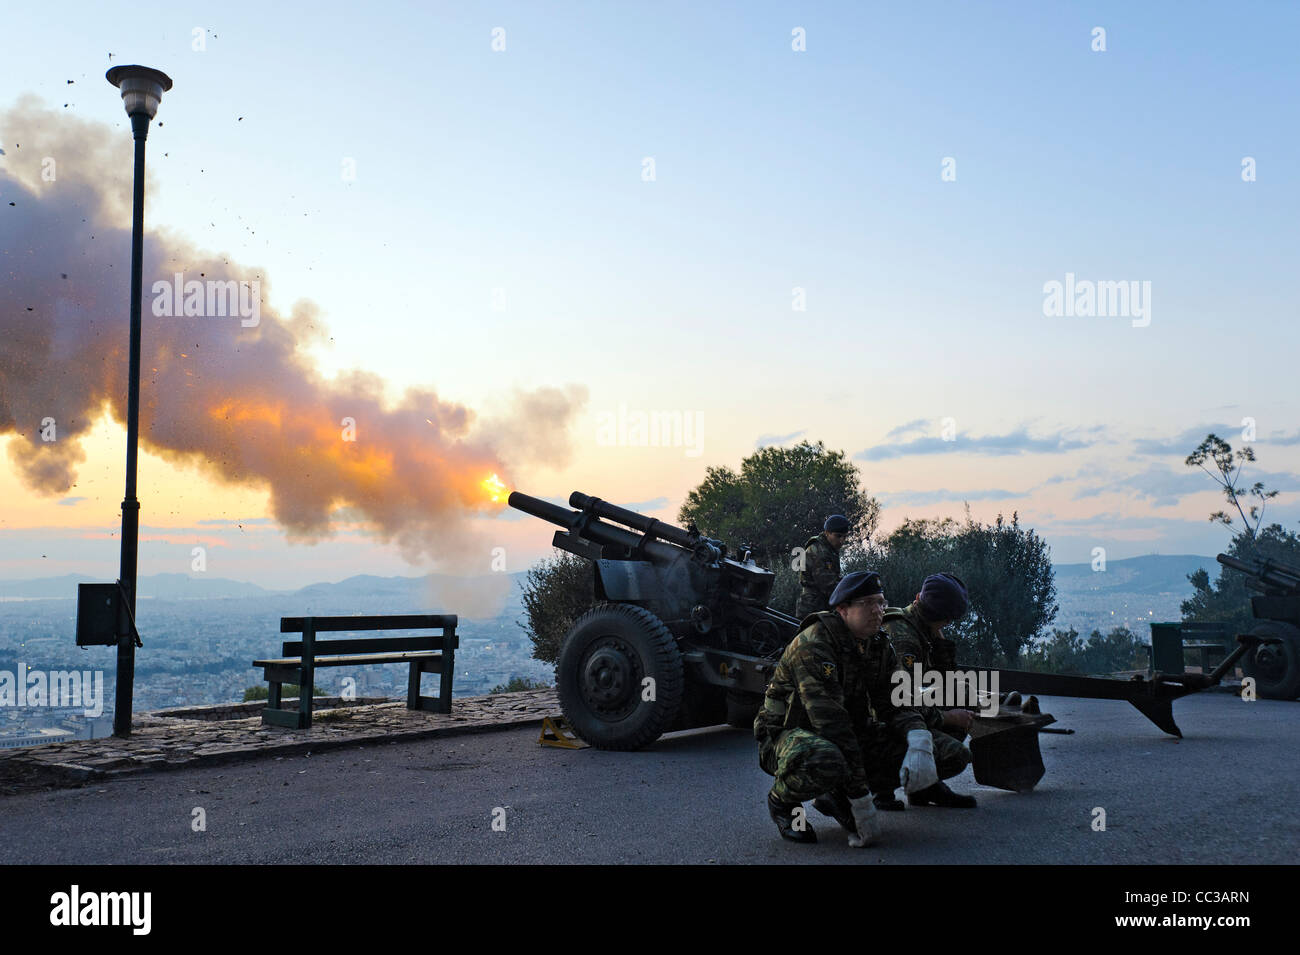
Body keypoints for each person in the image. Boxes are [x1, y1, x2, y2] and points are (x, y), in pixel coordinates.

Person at [754, 571, 940, 846]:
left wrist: (918, 739)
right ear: (842, 609)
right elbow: (832, 727)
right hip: (787, 737)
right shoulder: (814, 644)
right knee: (826, 759)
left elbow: (898, 699)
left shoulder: (877, 645)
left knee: (936, 750)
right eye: (867, 603)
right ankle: (783, 801)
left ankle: (835, 794)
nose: (878, 611)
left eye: (881, 602)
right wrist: (861, 800)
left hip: (843, 735)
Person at [878, 572, 979, 809]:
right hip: (887, 721)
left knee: (963, 693)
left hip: (906, 710)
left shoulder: (920, 628)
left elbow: (947, 680)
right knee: (957, 756)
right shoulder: (904, 639)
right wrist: (948, 717)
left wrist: (940, 640)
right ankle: (881, 786)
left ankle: (926, 786)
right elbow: (902, 701)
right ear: (943, 618)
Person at [794, 515, 849, 618]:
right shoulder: (819, 551)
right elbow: (828, 585)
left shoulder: (828, 549)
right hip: (812, 608)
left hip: (821, 606)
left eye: (844, 537)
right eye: (838, 536)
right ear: (827, 533)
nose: (842, 540)